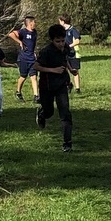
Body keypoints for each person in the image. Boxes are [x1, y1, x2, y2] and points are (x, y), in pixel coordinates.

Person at [34, 24, 77, 152]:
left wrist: (71, 69)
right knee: (49, 112)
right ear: (52, 40)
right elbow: (36, 66)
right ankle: (42, 113)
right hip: (47, 86)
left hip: (61, 85)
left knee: (65, 114)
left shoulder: (66, 48)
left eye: (63, 41)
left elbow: (64, 60)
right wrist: (53, 70)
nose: (61, 44)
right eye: (57, 41)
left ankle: (67, 143)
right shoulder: (46, 51)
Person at [8, 16, 39, 103]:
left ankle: (36, 96)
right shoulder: (23, 32)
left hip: (32, 58)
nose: (35, 24)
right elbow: (11, 34)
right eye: (34, 22)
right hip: (23, 58)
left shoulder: (35, 32)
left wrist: (34, 52)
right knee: (23, 76)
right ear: (30, 23)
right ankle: (18, 92)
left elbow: (32, 45)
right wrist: (20, 42)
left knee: (34, 76)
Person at [59, 14, 82, 94]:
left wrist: (69, 46)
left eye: (60, 21)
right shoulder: (61, 31)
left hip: (73, 54)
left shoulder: (73, 30)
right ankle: (68, 84)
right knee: (64, 71)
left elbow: (77, 41)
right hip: (64, 54)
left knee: (75, 71)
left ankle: (77, 89)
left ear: (62, 21)